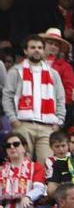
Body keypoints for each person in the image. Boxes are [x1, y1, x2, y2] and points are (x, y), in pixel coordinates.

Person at [2, 34, 66, 164]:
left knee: (47, 165)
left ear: (43, 50)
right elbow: (7, 96)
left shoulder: (53, 73)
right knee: (22, 164)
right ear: (25, 51)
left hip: (47, 127)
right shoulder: (15, 71)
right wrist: (13, 119)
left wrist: (59, 121)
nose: (37, 50)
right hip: (23, 125)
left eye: (40, 47)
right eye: (32, 47)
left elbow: (60, 98)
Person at [0, 132, 48, 208]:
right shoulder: (1, 169)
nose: (12, 147)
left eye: (16, 144)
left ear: (24, 147)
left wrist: (28, 197)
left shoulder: (36, 167)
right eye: (8, 146)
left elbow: (39, 189)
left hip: (26, 207)